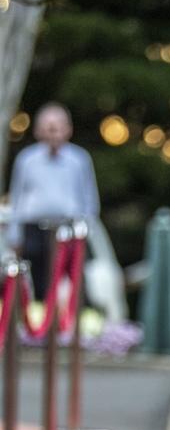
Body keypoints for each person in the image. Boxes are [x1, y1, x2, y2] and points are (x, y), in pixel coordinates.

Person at [7, 101, 100, 299]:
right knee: (37, 284)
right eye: (48, 129)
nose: (53, 135)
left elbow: (89, 199)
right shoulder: (27, 159)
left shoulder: (79, 159)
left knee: (74, 283)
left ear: (68, 130)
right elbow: (16, 198)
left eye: (57, 129)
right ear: (38, 131)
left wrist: (86, 229)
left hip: (69, 229)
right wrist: (15, 235)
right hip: (33, 229)